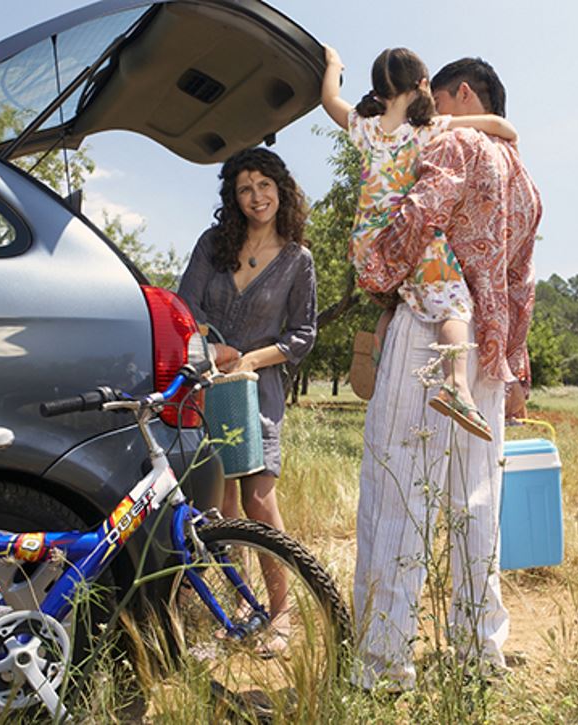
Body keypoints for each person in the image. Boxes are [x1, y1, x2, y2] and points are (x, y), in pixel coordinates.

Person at [348, 57, 542, 691]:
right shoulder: (524, 177)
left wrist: (373, 268)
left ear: (460, 93)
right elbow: (523, 283)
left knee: (398, 486)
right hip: (485, 349)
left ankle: (383, 662)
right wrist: (510, 359)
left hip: (428, 331)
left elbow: (417, 218)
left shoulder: (454, 140)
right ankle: (477, 650)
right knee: (476, 499)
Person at [321, 46, 519, 440]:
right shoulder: (426, 130)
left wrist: (333, 65)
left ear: (378, 91)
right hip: (409, 237)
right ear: (423, 85)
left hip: (367, 247)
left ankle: (378, 358)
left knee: (398, 300)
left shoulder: (363, 126)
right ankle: (457, 386)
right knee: (455, 307)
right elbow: (499, 126)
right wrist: (508, 134)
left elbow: (328, 98)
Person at [177, 148, 317, 633]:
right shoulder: (214, 244)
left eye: (264, 185)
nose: (256, 196)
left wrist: (252, 358)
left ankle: (281, 610)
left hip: (257, 386)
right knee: (222, 504)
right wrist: (210, 347)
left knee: (257, 496)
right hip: (205, 382)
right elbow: (184, 306)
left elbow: (302, 334)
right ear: (233, 198)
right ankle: (243, 599)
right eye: (244, 188)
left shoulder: (298, 260)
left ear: (281, 188)